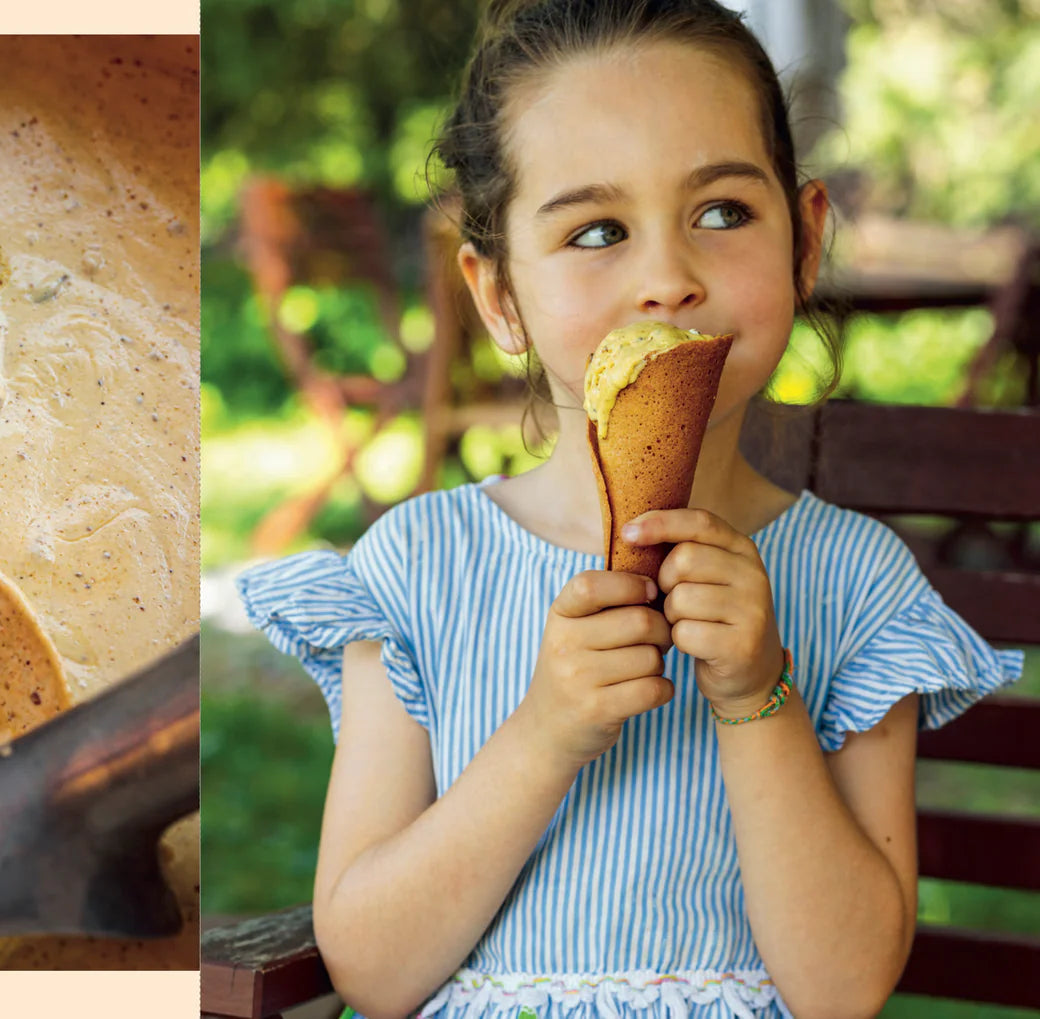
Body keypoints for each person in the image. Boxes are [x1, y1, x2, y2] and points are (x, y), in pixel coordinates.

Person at [236, 2, 1024, 1017]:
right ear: (499, 296)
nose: (667, 279)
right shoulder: (418, 567)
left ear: (805, 239)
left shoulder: (858, 583)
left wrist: (757, 696)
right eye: (597, 231)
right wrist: (545, 731)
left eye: (723, 212)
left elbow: (843, 989)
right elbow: (374, 973)